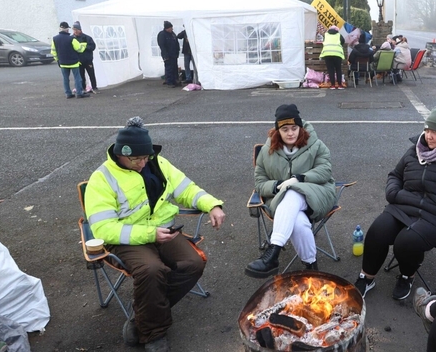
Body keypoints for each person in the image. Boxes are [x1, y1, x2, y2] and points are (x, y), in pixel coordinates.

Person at [83, 116, 226, 352]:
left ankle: (143, 312)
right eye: (135, 158)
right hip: (126, 239)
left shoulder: (158, 163)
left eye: (145, 157)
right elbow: (103, 228)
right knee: (151, 270)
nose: (141, 163)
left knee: (194, 263)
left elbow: (186, 189)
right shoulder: (102, 178)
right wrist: (150, 234)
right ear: (119, 154)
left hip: (165, 231)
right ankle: (153, 334)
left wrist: (212, 205)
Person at [354, 105, 436, 300]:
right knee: (377, 231)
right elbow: (395, 175)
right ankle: (367, 277)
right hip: (404, 206)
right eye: (427, 130)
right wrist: (393, 192)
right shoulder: (415, 150)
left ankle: (408, 276)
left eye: (435, 132)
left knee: (405, 243)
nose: (429, 136)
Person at [245, 104, 336, 277]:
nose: (290, 133)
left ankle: (274, 252)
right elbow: (260, 183)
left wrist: (299, 179)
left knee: (293, 191)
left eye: (294, 128)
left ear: (300, 127)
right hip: (280, 200)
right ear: (277, 130)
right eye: (285, 129)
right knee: (298, 222)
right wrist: (278, 185)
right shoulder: (266, 151)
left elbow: (325, 171)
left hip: (317, 194)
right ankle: (311, 267)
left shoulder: (317, 145)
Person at [51, 21, 89, 99]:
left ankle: (68, 93)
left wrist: (58, 60)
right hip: (73, 62)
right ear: (67, 29)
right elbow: (79, 49)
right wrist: (84, 44)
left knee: (65, 79)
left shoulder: (54, 39)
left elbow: (53, 51)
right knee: (77, 78)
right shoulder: (71, 39)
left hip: (62, 62)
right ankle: (79, 93)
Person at [73, 21, 98, 94]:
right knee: (81, 75)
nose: (75, 32)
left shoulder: (87, 38)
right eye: (74, 30)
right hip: (78, 60)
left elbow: (93, 47)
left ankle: (94, 87)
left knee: (91, 74)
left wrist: (84, 47)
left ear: (80, 30)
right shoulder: (72, 38)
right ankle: (82, 88)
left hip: (88, 60)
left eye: (76, 30)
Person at [319, 25, 346, 90]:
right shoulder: (339, 35)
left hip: (327, 53)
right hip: (337, 53)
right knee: (338, 69)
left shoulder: (326, 35)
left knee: (331, 70)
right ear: (337, 30)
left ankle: (333, 85)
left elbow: (324, 42)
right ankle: (339, 85)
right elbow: (343, 41)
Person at [157, 21, 180, 88]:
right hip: (168, 54)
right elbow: (162, 45)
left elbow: (176, 43)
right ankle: (169, 81)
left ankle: (175, 80)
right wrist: (165, 55)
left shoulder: (173, 34)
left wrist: (177, 51)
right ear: (167, 28)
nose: (172, 29)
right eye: (171, 28)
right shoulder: (162, 34)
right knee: (169, 68)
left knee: (174, 67)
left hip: (174, 54)